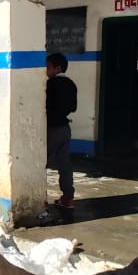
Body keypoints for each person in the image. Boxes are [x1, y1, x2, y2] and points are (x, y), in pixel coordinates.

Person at [45, 53, 77, 212]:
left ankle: (38, 198)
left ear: (58, 68)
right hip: (65, 129)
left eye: (48, 67)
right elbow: (73, 107)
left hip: (51, 129)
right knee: (65, 165)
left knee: (40, 164)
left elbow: (45, 106)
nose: (46, 70)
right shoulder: (71, 84)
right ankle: (68, 198)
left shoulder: (50, 84)